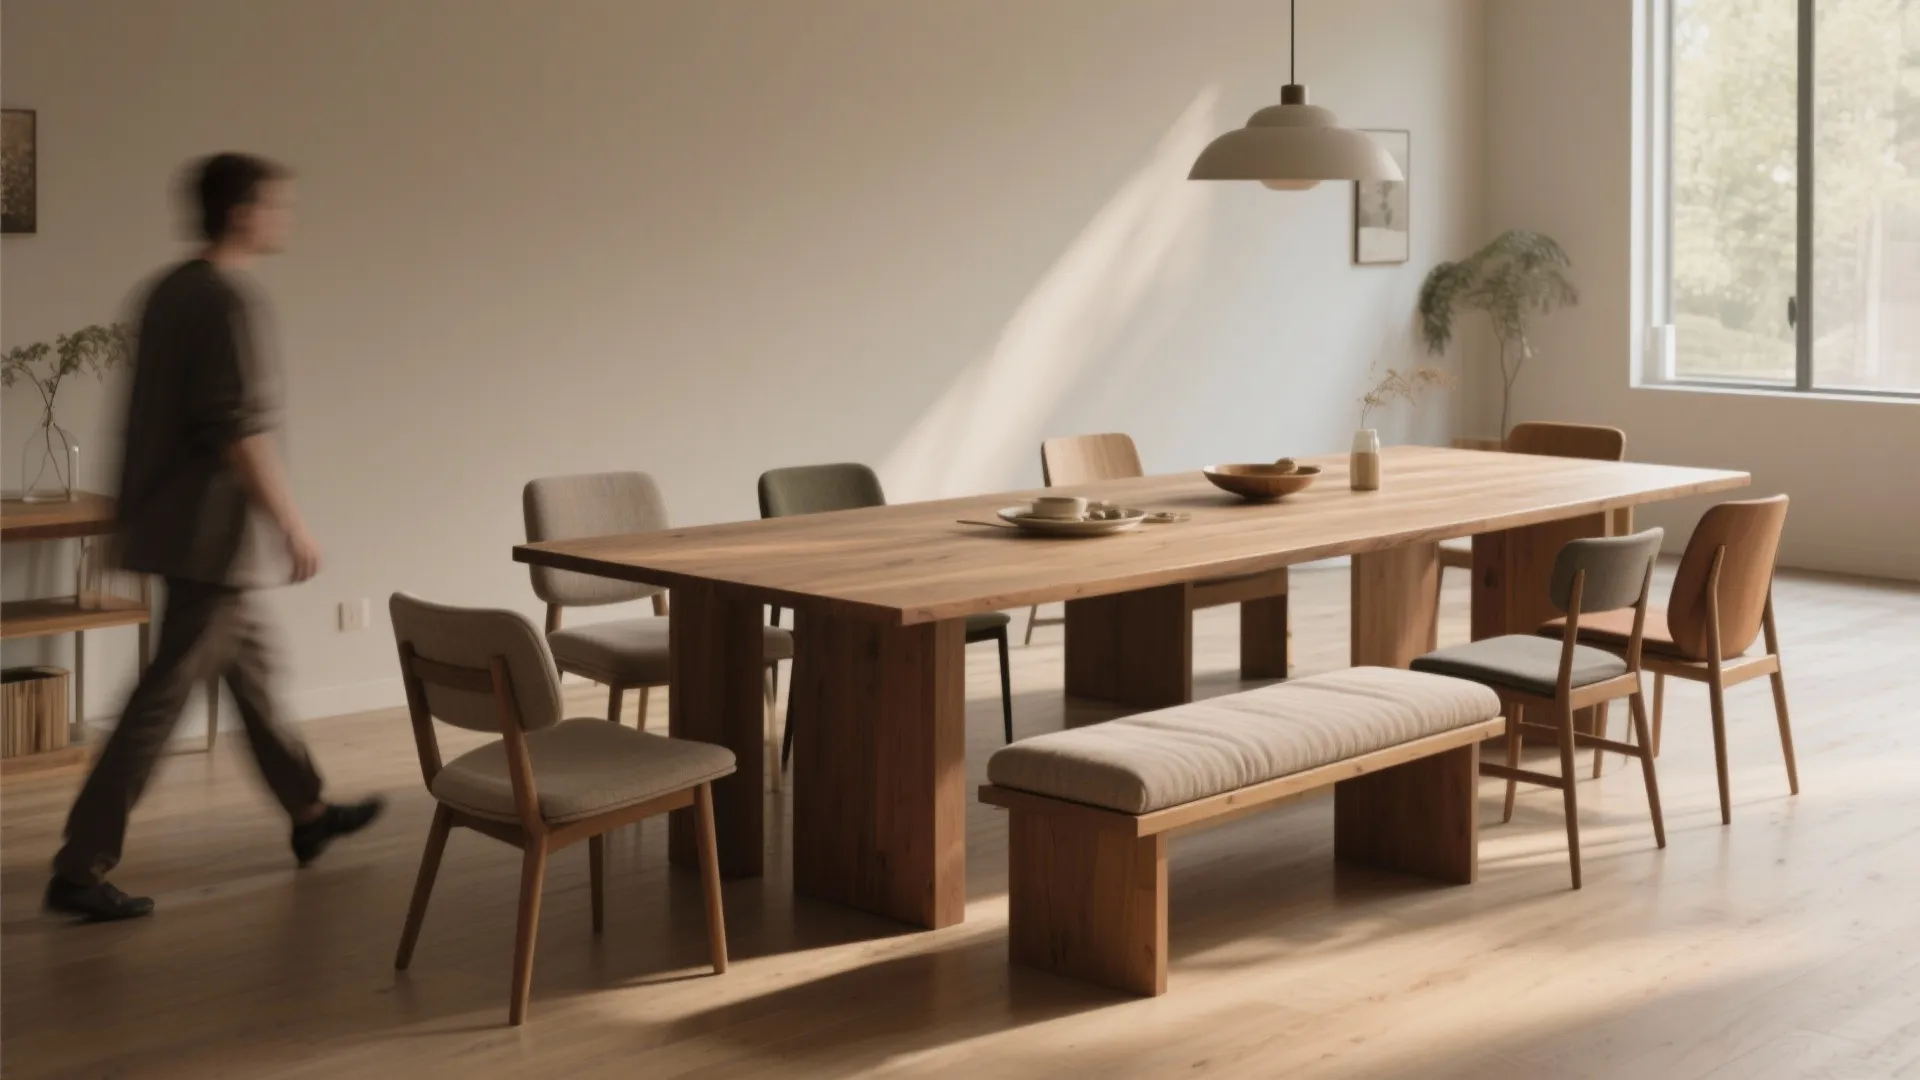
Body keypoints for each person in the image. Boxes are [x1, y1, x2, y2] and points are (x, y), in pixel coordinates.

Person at [45, 153, 382, 922]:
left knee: (252, 673)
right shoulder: (228, 302)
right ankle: (78, 867)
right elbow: (238, 430)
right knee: (159, 705)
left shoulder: (165, 292)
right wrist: (291, 523)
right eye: (275, 205)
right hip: (210, 538)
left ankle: (308, 814)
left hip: (172, 525)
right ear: (242, 212)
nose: (282, 218)